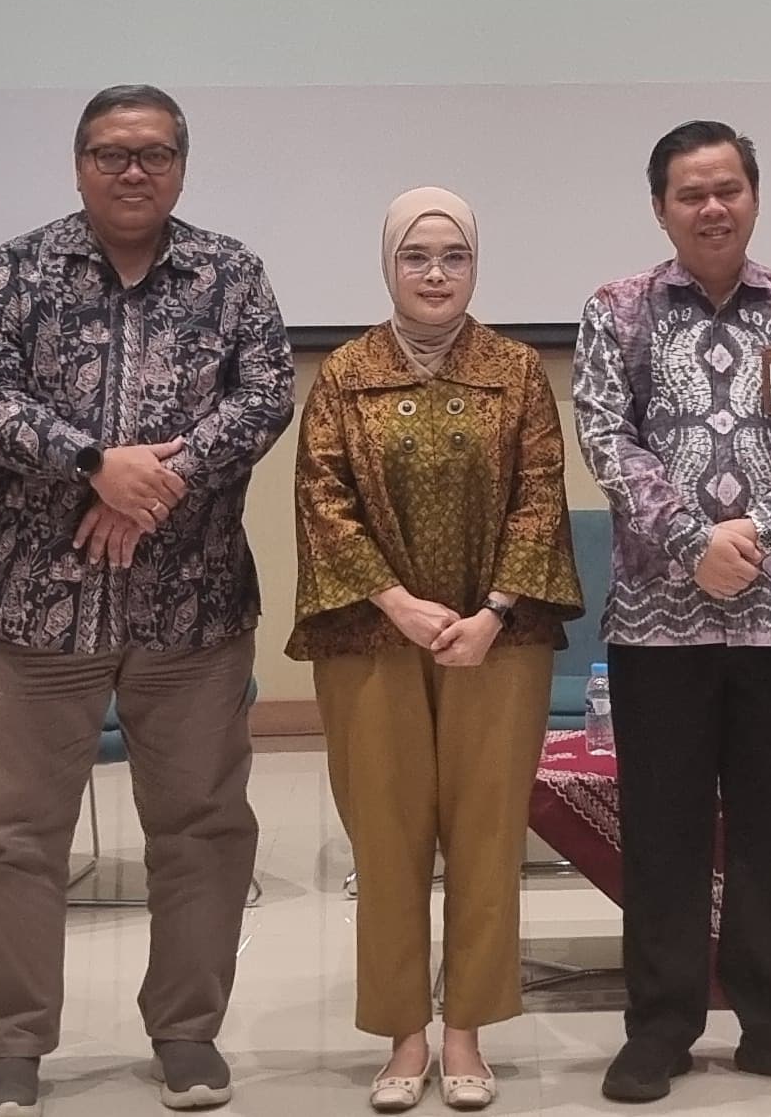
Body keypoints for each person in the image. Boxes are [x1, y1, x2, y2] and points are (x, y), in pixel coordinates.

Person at [0, 86, 295, 1115]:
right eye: (110, 152)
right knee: (13, 833)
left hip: (191, 607)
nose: (131, 169)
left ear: (181, 165)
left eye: (152, 153)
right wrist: (96, 463)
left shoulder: (231, 272)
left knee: (200, 826)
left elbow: (267, 393)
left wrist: (157, 484)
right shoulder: (16, 268)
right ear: (77, 163)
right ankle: (10, 1041)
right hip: (33, 605)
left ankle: (186, 1031)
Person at [570, 122, 771, 1106]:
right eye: (690, 192)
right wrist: (696, 540)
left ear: (753, 194)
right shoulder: (619, 308)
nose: (711, 206)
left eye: (727, 187)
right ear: (661, 206)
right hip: (658, 620)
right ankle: (659, 1022)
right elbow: (607, 435)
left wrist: (763, 531)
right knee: (662, 828)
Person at [290, 189, 587, 1113]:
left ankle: (464, 1029)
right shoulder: (344, 372)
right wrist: (398, 602)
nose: (434, 273)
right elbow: (321, 498)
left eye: (452, 256)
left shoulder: (516, 370)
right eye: (416, 256)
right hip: (371, 635)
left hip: (499, 640)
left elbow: (542, 493)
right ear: (388, 264)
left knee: (488, 837)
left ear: (475, 265)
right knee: (387, 838)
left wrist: (494, 609)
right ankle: (403, 1034)